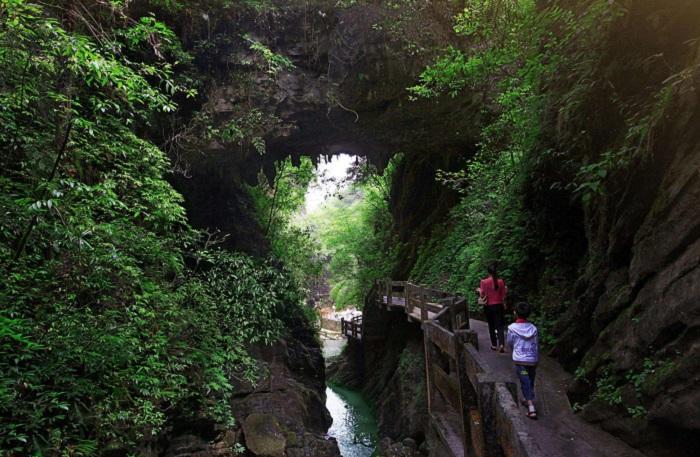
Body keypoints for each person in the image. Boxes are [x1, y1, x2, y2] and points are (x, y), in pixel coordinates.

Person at [507, 301, 539, 419]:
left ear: (515, 313)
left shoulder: (512, 328)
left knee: (525, 380)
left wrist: (514, 349)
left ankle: (531, 407)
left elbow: (510, 342)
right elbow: (536, 345)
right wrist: (537, 359)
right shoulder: (533, 329)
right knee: (530, 379)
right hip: (532, 360)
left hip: (521, 362)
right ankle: (527, 398)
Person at [477, 265, 507, 352]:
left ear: (488, 272)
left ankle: (494, 345)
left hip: (489, 306)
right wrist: (504, 304)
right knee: (500, 326)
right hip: (499, 306)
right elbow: (503, 295)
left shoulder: (484, 282)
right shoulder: (500, 281)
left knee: (491, 326)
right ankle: (501, 344)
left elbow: (482, 295)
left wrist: (479, 290)